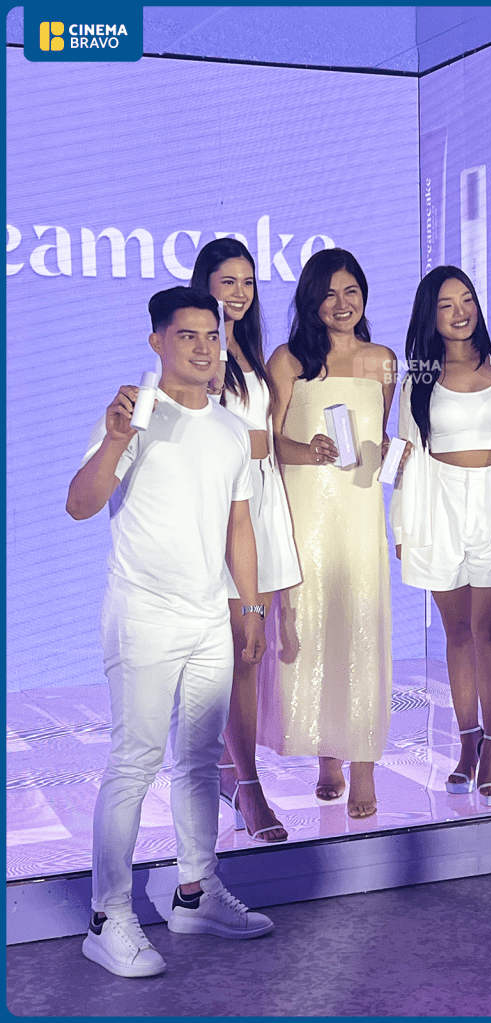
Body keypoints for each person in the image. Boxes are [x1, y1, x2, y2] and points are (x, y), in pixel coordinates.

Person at [66, 287, 274, 978]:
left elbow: (239, 524)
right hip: (144, 614)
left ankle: (196, 892)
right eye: (187, 336)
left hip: (210, 616)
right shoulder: (134, 417)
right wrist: (117, 439)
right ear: (157, 341)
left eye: (212, 336)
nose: (204, 347)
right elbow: (80, 504)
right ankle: (107, 917)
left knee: (200, 760)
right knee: (134, 762)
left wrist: (251, 608)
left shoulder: (230, 427)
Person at [391, 266, 491, 805]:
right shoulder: (418, 380)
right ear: (430, 316)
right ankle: (467, 743)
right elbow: (405, 455)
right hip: (438, 513)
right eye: (446, 305)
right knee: (457, 633)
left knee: (489, 631)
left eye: (467, 300)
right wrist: (401, 526)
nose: (460, 313)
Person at [262, 247, 400, 819]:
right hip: (307, 510)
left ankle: (363, 763)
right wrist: (308, 449)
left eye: (351, 292)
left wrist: (388, 453)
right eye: (328, 294)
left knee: (362, 627)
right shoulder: (289, 359)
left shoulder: (383, 359)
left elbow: (379, 435)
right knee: (314, 628)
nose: (341, 304)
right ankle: (327, 755)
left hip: (360, 510)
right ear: (310, 300)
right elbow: (268, 442)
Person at [190, 238, 300, 844]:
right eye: (227, 281)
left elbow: (265, 434)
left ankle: (233, 773)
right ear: (205, 284)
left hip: (264, 497)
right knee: (238, 650)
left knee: (252, 653)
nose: (239, 292)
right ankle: (248, 787)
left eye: (248, 282)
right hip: (227, 507)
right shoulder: (202, 352)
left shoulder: (249, 351)